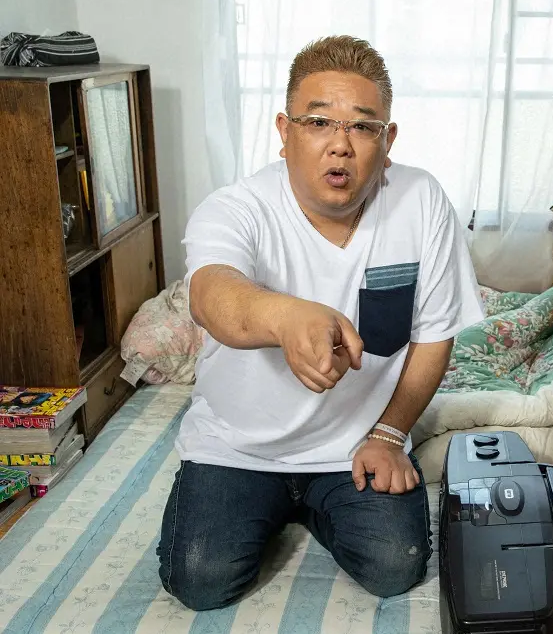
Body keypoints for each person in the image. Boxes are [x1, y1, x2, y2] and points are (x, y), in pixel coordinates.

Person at [157, 35, 483, 611]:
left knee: (395, 567)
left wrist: (389, 434)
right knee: (201, 582)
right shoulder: (236, 208)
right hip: (238, 447)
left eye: (363, 127)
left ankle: (319, 505)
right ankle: (268, 504)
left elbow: (435, 336)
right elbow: (212, 297)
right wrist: (286, 316)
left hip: (357, 445)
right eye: (318, 123)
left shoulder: (421, 200)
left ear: (387, 140)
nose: (340, 145)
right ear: (284, 133)